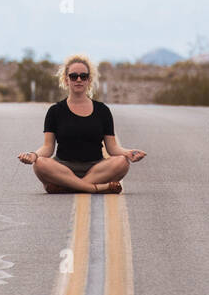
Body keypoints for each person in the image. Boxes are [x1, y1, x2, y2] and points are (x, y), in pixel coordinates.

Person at [17, 52, 146, 193]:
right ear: (66, 80)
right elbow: (48, 148)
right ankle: (95, 188)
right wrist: (33, 155)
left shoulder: (102, 110)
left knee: (122, 162)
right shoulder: (55, 111)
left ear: (89, 80)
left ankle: (67, 187)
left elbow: (112, 148)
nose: (78, 79)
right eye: (73, 76)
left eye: (83, 76)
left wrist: (129, 153)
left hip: (96, 168)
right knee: (40, 164)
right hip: (63, 168)